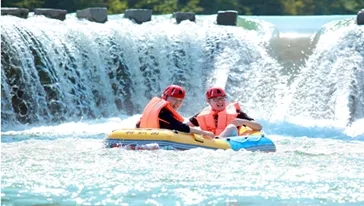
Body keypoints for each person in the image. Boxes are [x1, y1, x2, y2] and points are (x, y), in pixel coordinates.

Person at [136, 85, 215, 138]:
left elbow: (138, 124)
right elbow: (180, 127)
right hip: (156, 141)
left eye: (180, 100)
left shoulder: (157, 108)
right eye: (175, 99)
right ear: (165, 97)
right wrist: (205, 133)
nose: (177, 103)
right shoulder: (163, 112)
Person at [187, 87, 262, 137]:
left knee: (231, 127)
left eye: (222, 98)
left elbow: (258, 127)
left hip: (229, 142)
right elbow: (184, 126)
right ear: (208, 101)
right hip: (209, 142)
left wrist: (242, 121)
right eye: (216, 99)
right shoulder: (202, 114)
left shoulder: (235, 112)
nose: (220, 102)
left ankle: (218, 141)